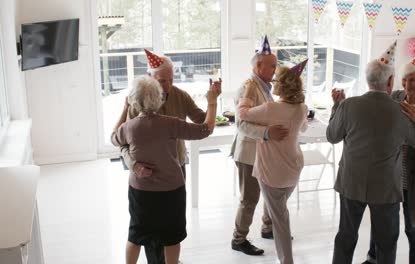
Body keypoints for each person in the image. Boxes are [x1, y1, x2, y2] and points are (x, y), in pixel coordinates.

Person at [327, 41, 415, 264]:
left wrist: (336, 107)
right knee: (386, 243)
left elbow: (332, 137)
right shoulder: (402, 113)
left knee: (346, 237)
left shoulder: (348, 105)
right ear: (389, 81)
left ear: (368, 80)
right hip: (386, 189)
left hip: (351, 183)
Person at [120, 49, 221, 263]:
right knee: (147, 231)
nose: (166, 86)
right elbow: (122, 143)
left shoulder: (180, 96)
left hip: (175, 166)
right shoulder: (136, 101)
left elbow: (202, 120)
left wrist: (212, 101)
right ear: (150, 78)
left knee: (168, 228)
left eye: (171, 79)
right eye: (162, 80)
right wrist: (134, 164)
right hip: (144, 174)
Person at [363, 46, 415, 264]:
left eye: (413, 80)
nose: (408, 85)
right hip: (389, 173)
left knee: (413, 228)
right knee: (381, 221)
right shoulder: (396, 97)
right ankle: (373, 257)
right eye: (405, 80)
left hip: (413, 177)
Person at [238, 60, 309, 264]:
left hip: (272, 173)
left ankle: (287, 260)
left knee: (280, 220)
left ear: (282, 86)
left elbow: (242, 115)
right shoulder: (302, 108)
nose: (274, 81)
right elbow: (303, 128)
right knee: (278, 212)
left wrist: (248, 94)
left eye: (278, 80)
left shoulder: (270, 108)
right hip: (293, 170)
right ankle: (272, 237)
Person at [230, 35, 289, 256]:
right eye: (272, 66)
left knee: (270, 192)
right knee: (249, 198)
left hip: (264, 152)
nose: (275, 69)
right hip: (248, 153)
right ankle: (238, 238)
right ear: (258, 66)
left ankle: (268, 227)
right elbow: (241, 124)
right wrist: (267, 132)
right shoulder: (249, 88)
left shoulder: (265, 87)